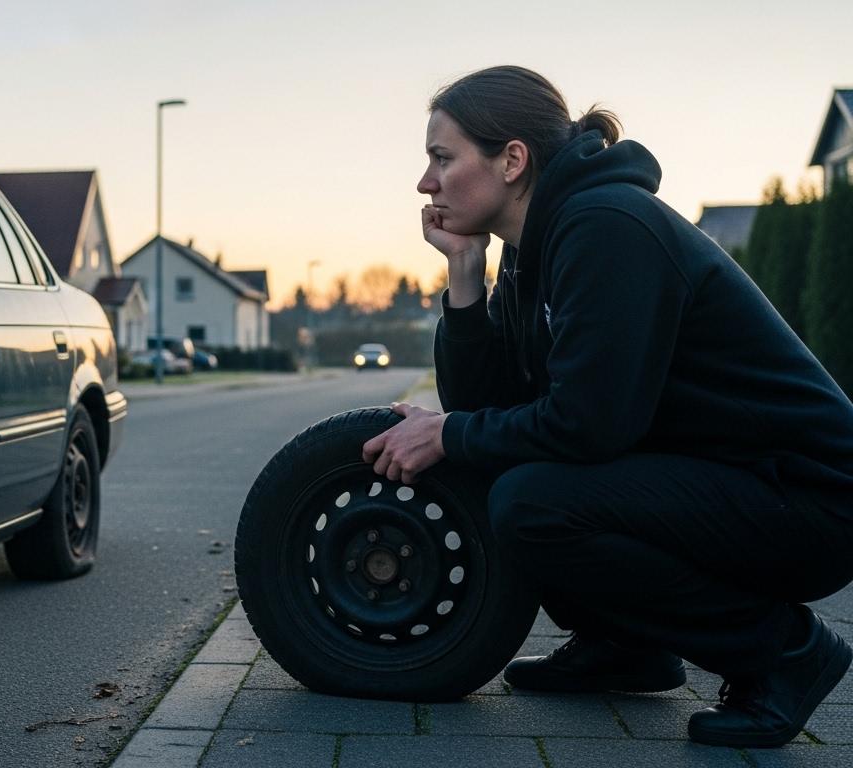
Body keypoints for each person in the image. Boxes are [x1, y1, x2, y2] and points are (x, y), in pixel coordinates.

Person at [360, 65, 853, 748]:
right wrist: (465, 277)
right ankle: (626, 647)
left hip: (807, 499)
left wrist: (452, 434)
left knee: (532, 502)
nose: (426, 183)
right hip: (723, 481)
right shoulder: (535, 251)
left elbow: (587, 426)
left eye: (442, 158)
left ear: (511, 160)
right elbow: (489, 410)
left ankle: (787, 654)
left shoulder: (607, 227)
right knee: (506, 471)